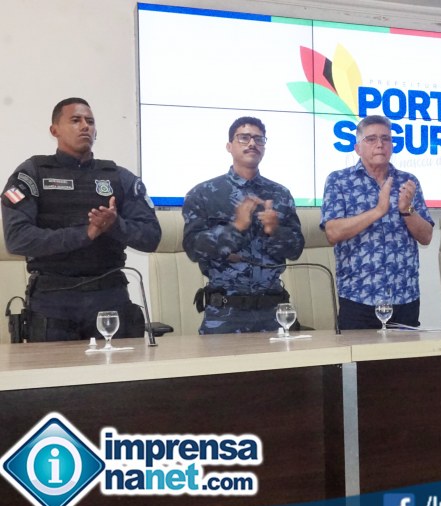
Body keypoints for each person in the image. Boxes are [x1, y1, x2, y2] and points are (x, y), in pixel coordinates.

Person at [1, 97, 161, 342]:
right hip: (52, 302)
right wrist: (85, 233)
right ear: (54, 130)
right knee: (53, 369)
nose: (85, 126)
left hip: (109, 298)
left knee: (118, 368)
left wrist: (115, 226)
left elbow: (151, 238)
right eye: (75, 120)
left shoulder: (119, 178)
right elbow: (17, 239)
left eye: (90, 121)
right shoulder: (32, 173)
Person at [182, 117, 304, 334]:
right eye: (244, 138)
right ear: (229, 146)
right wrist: (236, 228)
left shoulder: (280, 194)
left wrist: (275, 230)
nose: (252, 143)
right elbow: (194, 249)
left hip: (273, 312)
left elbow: (295, 250)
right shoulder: (203, 194)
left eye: (259, 139)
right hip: (225, 314)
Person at [320, 115, 433, 330]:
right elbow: (332, 233)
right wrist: (378, 211)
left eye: (385, 139)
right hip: (358, 297)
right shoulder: (339, 181)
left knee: (406, 353)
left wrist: (407, 210)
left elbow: (426, 237)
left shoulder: (408, 181)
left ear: (392, 146)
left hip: (404, 296)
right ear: (357, 148)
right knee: (358, 353)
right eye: (371, 139)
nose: (380, 144)